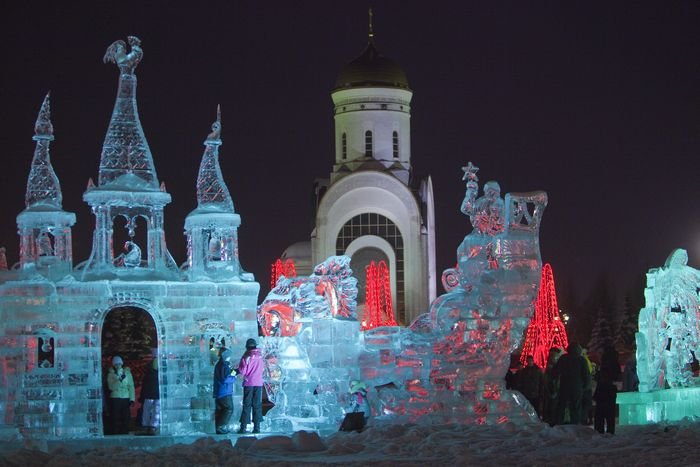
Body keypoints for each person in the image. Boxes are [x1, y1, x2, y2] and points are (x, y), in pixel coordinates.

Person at [553, 343, 591, 425]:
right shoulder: (581, 360)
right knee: (576, 407)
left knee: (561, 406)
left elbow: (556, 371)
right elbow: (586, 374)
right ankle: (575, 423)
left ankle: (559, 423)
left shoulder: (563, 358)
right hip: (577, 387)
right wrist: (586, 386)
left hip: (564, 386)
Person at [236, 338, 264, 434]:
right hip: (259, 383)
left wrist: (236, 370)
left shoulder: (247, 356)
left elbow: (242, 371)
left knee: (247, 405)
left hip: (249, 383)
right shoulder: (260, 356)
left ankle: (243, 427)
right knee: (257, 405)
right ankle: (257, 428)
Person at [594, 346, 622, 434]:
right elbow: (617, 376)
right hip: (610, 390)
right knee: (610, 412)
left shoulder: (604, 363)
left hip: (602, 390)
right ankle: (610, 430)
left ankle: (599, 430)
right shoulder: (615, 363)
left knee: (600, 413)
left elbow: (600, 377)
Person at [107, 355, 135, 435]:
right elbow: (111, 387)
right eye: (116, 364)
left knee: (126, 416)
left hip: (125, 398)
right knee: (115, 416)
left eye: (119, 363)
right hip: (115, 398)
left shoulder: (127, 373)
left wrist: (132, 399)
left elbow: (131, 386)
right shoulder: (111, 374)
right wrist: (119, 380)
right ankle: (115, 432)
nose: (118, 365)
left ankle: (124, 432)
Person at [213, 348, 236, 434]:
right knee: (229, 409)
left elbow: (227, 374)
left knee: (220, 410)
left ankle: (218, 428)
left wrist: (234, 372)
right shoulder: (223, 365)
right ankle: (221, 426)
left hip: (219, 391)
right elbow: (226, 378)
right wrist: (234, 377)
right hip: (225, 391)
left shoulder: (220, 364)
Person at [139, 357, 160, 435]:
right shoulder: (152, 374)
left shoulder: (148, 374)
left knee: (152, 411)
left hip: (152, 395)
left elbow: (144, 386)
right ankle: (150, 426)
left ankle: (150, 426)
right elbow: (144, 386)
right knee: (151, 411)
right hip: (152, 395)